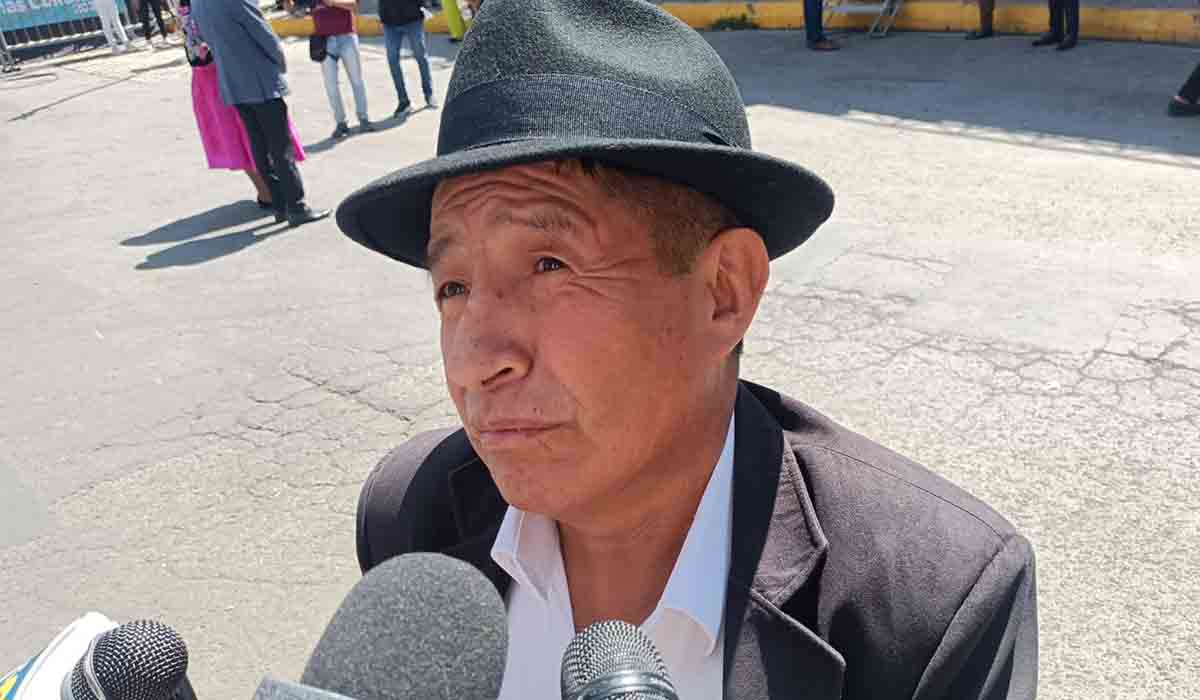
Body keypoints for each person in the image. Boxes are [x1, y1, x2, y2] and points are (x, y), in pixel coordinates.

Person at [341, 1, 1038, 699]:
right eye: (453, 286)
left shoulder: (928, 606)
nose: (471, 363)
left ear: (723, 292)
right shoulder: (410, 514)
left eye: (549, 265)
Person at [191, 0, 329, 226]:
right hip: (259, 80)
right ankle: (296, 206)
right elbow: (264, 35)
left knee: (259, 145)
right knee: (279, 146)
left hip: (232, 83)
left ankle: (280, 205)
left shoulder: (198, 3)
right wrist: (280, 64)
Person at [313, 0, 373, 139]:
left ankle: (363, 118)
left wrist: (333, 2)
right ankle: (341, 122)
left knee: (356, 80)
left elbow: (354, 5)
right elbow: (295, 9)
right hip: (324, 40)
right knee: (331, 86)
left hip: (346, 36)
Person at [379, 0, 437, 117]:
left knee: (421, 56)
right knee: (392, 60)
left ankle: (429, 94)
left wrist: (425, 5)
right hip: (389, 22)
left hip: (413, 19)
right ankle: (403, 101)